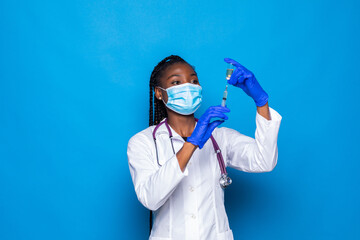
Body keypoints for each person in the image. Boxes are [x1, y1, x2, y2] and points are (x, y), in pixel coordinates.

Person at [127, 55, 282, 240]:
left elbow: (264, 161)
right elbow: (150, 198)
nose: (188, 87)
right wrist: (192, 142)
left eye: (193, 81)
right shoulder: (143, 142)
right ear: (159, 93)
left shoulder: (220, 137)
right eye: (176, 82)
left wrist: (261, 101)